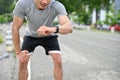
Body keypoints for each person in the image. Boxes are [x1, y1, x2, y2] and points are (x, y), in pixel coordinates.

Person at [12, 0, 73, 80]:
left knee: (58, 60)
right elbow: (15, 28)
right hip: (31, 36)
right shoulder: (23, 4)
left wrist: (52, 29)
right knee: (23, 62)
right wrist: (18, 52)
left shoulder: (56, 5)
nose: (45, 2)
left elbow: (69, 28)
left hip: (49, 35)